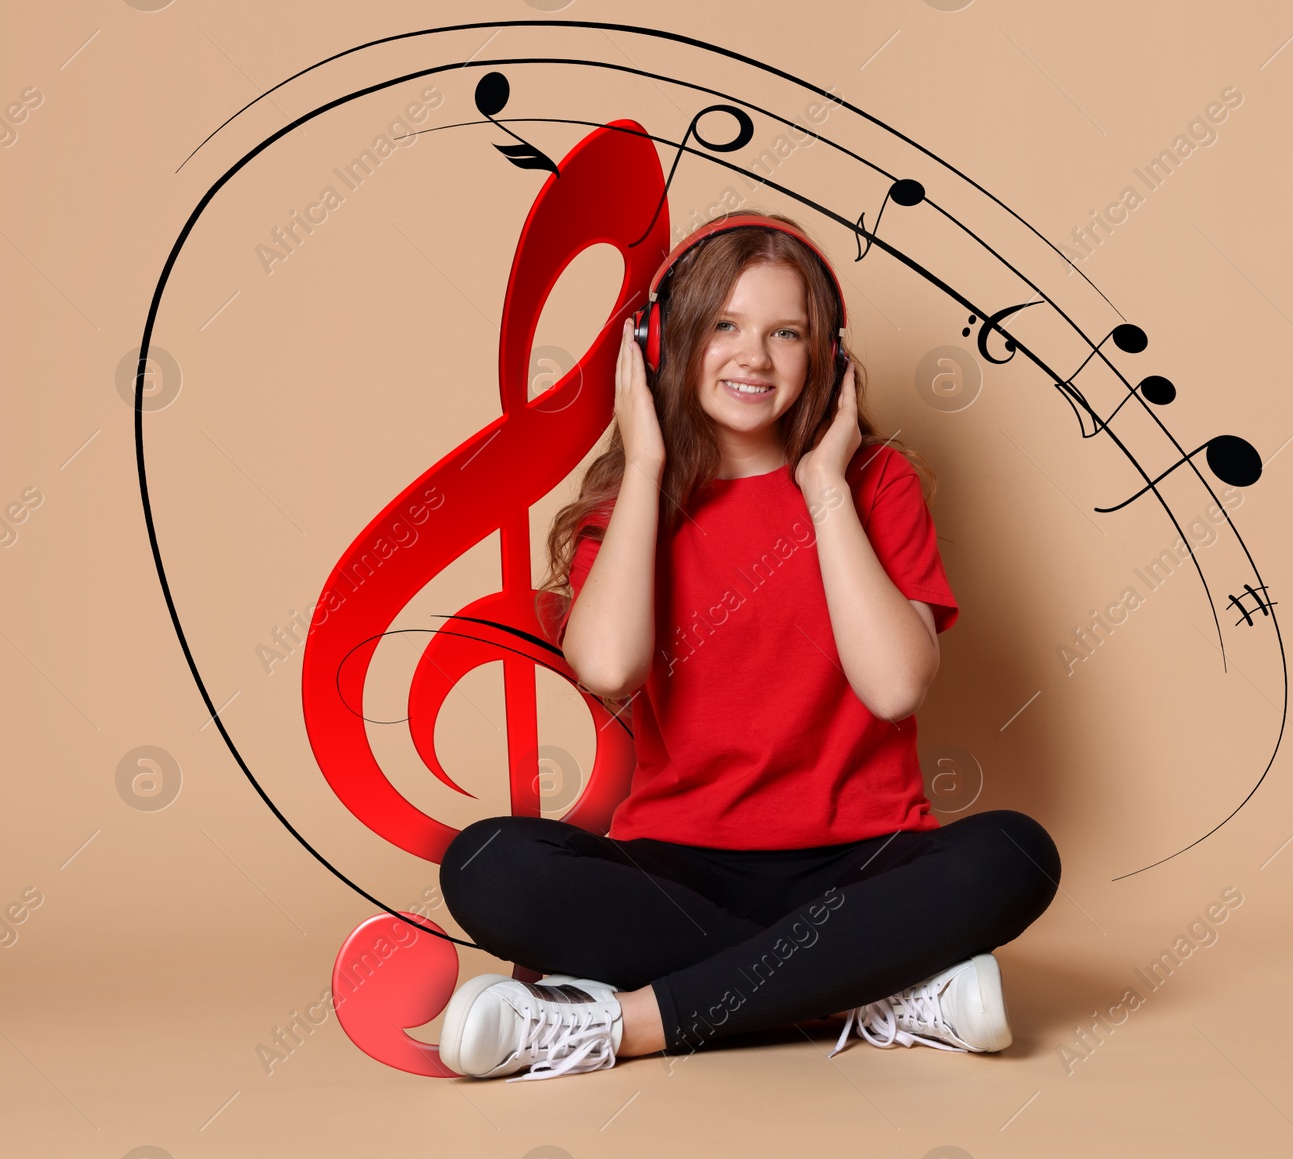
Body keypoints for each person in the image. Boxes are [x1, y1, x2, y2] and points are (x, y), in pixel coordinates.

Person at [436, 210, 1060, 1082]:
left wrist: (822, 485)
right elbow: (608, 667)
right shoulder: (628, 505)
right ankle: (870, 992)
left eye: (786, 333)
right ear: (664, 344)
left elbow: (893, 689)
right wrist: (649, 466)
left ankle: (619, 1026)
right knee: (489, 864)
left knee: (1016, 853)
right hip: (683, 875)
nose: (754, 358)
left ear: (827, 359)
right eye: (723, 326)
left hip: (865, 865)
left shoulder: (877, 483)